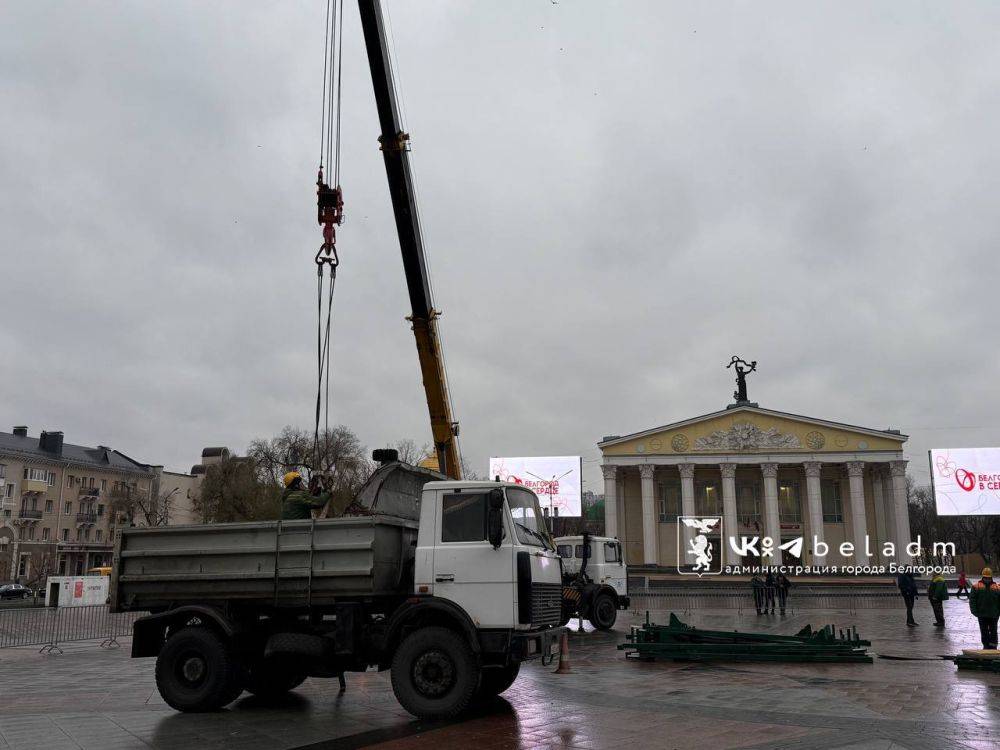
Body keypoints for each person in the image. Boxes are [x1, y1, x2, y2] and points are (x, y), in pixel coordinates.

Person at [969, 567, 1000, 649]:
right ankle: (986, 646)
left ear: (991, 577)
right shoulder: (976, 587)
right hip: (982, 614)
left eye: (988, 578)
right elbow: (972, 600)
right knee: (984, 631)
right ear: (982, 577)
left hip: (994, 614)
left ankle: (993, 646)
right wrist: (975, 611)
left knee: (993, 631)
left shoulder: (997, 587)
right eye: (985, 577)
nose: (987, 579)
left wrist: (998, 612)